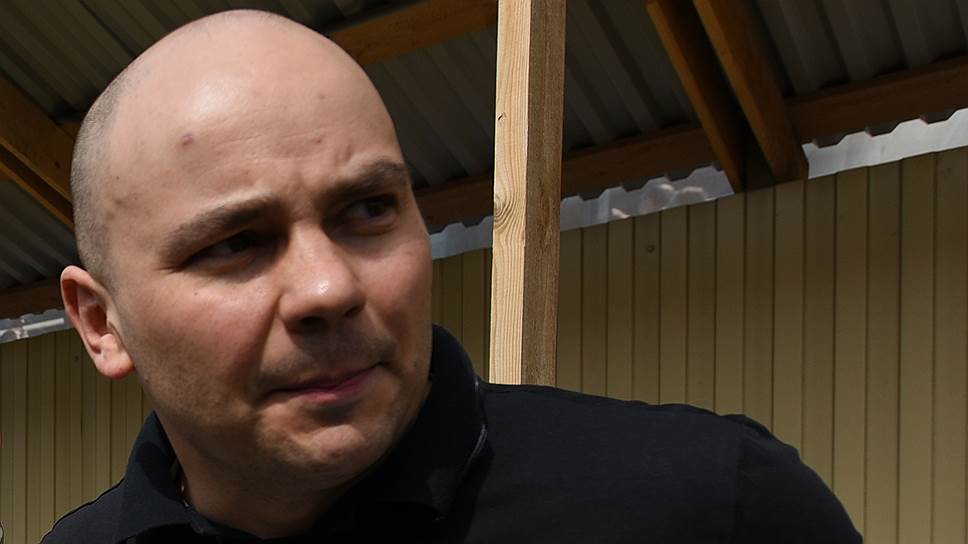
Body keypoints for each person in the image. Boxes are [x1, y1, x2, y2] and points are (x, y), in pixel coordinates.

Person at [45, 10, 861, 544]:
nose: (329, 289)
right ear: (101, 324)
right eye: (235, 244)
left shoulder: (715, 509)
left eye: (368, 209)